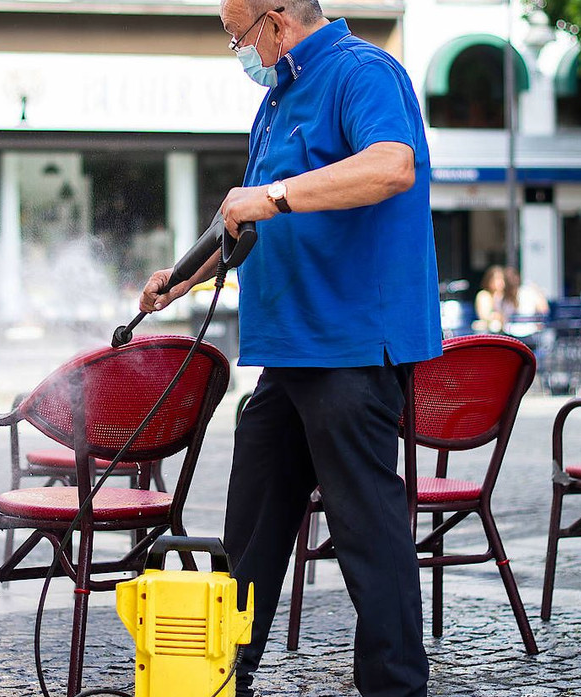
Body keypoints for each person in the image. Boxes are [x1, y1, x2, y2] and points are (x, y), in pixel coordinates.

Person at [139, 2, 437, 695]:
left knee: (367, 530)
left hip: (351, 348)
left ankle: (396, 687)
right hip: (289, 352)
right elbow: (247, 221)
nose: (236, 49)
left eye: (236, 34)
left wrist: (271, 194)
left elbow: (391, 166)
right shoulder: (276, 100)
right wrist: (181, 278)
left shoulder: (364, 71)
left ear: (275, 20)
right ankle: (221, 677)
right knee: (252, 527)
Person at [504, 266, 549, 339]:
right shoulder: (503, 297)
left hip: (528, 333)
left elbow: (543, 310)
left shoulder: (528, 292)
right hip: (512, 333)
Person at [473, 265, 514, 333]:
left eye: (502, 279)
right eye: (497, 279)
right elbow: (485, 316)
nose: (500, 282)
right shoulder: (484, 295)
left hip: (506, 331)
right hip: (488, 333)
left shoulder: (506, 296)